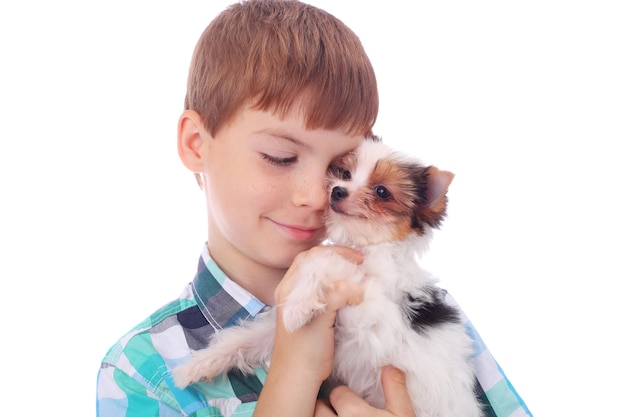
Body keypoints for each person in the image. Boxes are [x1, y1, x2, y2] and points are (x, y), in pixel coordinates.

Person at [96, 1, 532, 416]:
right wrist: (293, 370)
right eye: (280, 157)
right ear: (196, 145)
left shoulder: (433, 315)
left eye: (338, 167)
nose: (318, 194)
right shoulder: (140, 371)